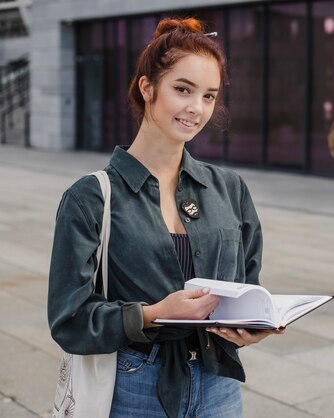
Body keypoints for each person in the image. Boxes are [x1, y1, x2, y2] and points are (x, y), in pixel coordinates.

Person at [48, 17, 282, 418]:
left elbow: (248, 287)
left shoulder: (229, 188)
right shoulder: (90, 197)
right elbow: (69, 320)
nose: (197, 108)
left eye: (209, 96)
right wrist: (153, 314)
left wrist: (253, 325)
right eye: (183, 89)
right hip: (134, 384)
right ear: (147, 87)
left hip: (219, 384)